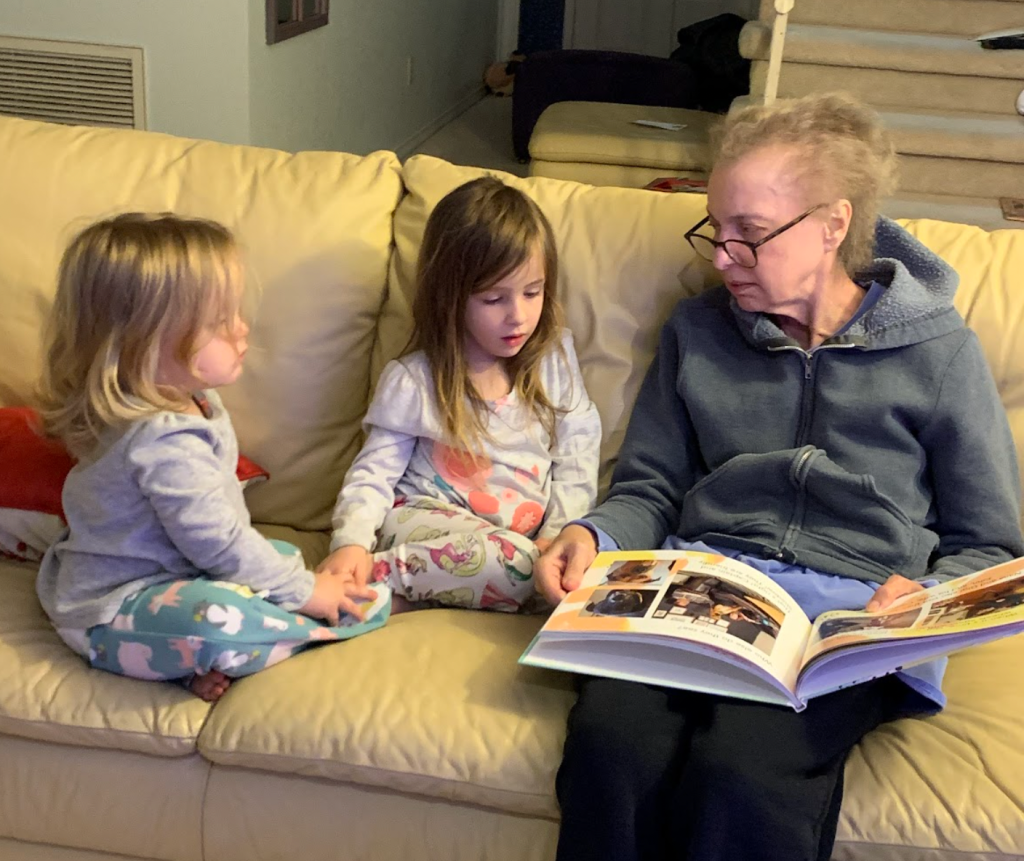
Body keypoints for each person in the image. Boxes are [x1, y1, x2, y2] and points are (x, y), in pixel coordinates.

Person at [535, 92, 1024, 861]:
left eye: (750, 236)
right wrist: (588, 533)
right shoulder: (698, 332)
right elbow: (650, 487)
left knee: (745, 771)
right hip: (701, 595)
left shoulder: (940, 354)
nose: (722, 257)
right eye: (716, 231)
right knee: (611, 743)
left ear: (833, 225)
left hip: (848, 620)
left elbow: (991, 540)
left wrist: (923, 595)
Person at [35, 213, 386, 703]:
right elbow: (220, 546)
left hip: (171, 579)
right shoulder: (162, 440)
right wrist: (307, 595)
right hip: (111, 608)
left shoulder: (194, 401)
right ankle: (302, 630)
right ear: (145, 344)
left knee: (280, 558)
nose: (242, 329)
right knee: (221, 618)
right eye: (219, 323)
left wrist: (290, 580)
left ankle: (175, 664)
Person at [320, 177, 601, 612]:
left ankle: (386, 600)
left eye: (533, 292)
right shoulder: (415, 380)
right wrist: (350, 543)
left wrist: (560, 530)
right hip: (422, 522)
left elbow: (578, 452)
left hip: (513, 545)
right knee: (520, 568)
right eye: (494, 299)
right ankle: (365, 582)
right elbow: (373, 474)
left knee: (545, 569)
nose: (519, 316)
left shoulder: (554, 360)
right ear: (451, 297)